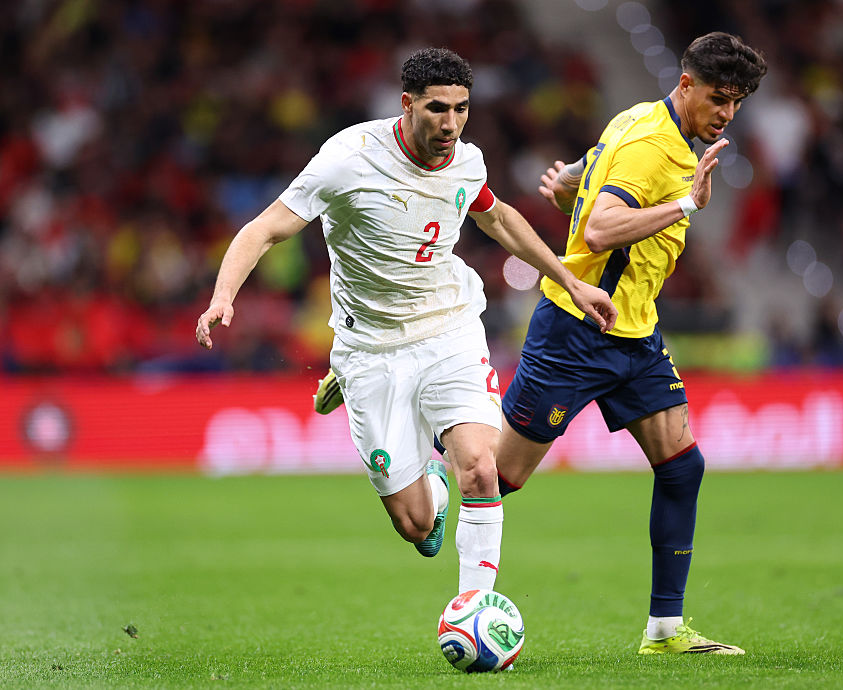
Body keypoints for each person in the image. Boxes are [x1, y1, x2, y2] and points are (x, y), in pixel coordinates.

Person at [196, 47, 617, 597]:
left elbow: (498, 218)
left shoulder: (466, 160)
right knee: (416, 525)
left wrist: (571, 281)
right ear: (406, 104)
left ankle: (475, 610)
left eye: (462, 109)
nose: (451, 124)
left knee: (480, 468)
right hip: (371, 348)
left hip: (449, 329)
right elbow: (265, 228)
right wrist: (223, 296)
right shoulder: (349, 158)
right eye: (438, 108)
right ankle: (425, 481)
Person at [493, 32, 767, 655]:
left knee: (682, 465)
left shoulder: (640, 118)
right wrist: (686, 204)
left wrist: (568, 184)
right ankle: (430, 434)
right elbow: (600, 229)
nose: (727, 113)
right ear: (686, 84)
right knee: (499, 476)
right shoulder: (654, 147)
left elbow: (589, 174)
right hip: (577, 330)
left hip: (635, 332)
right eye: (719, 98)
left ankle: (665, 630)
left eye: (737, 102)